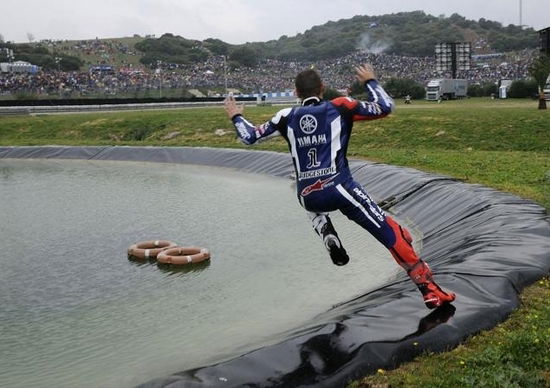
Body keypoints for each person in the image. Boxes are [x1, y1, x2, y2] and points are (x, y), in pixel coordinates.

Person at [224, 64, 455, 309]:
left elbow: (249, 136)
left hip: (308, 195)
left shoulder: (284, 116)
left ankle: (325, 230)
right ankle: (428, 289)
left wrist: (236, 116)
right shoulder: (339, 106)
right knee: (391, 234)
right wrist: (371, 81)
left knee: (309, 197)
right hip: (341, 189)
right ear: (322, 88)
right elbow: (385, 107)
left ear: (296, 91)